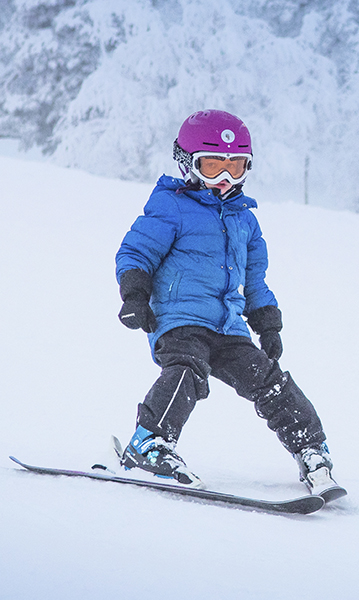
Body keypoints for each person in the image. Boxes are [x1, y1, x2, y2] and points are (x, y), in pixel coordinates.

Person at [115, 109, 339, 498]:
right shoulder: (171, 207)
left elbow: (254, 279)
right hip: (179, 319)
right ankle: (149, 443)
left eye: (236, 168)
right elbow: (136, 252)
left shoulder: (245, 220)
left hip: (228, 326)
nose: (224, 178)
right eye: (214, 165)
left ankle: (311, 449)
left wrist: (267, 322)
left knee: (270, 380)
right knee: (187, 370)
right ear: (188, 164)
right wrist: (134, 295)